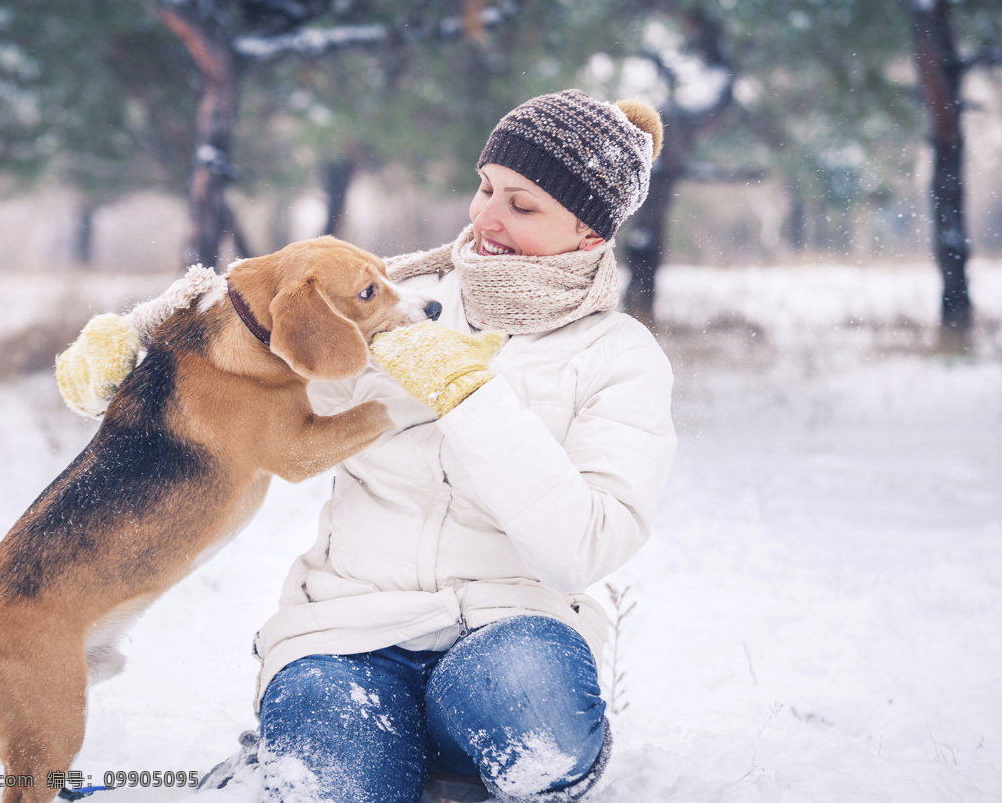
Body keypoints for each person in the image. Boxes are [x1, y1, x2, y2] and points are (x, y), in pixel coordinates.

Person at [56, 89, 676, 803]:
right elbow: (251, 375)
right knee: (337, 784)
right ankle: (328, 767)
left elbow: (581, 548)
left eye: (523, 205)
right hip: (346, 632)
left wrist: (469, 396)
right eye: (485, 189)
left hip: (512, 631)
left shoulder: (618, 355)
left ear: (591, 234)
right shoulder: (391, 297)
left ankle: (455, 762)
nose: (486, 217)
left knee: (539, 728)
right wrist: (132, 359)